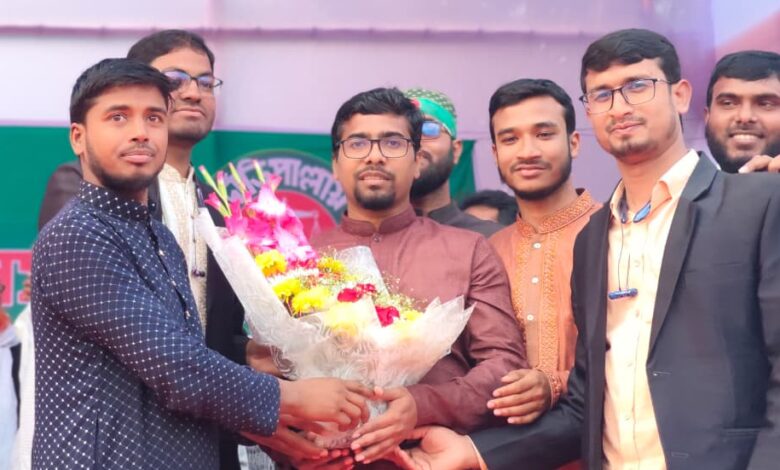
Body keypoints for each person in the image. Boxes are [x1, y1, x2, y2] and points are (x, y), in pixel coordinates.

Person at [401, 28, 780, 470]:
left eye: (637, 86)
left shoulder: (759, 201)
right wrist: (473, 452)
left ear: (680, 95)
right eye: (602, 94)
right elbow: (586, 401)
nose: (619, 107)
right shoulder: (595, 237)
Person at [31, 58, 374, 470]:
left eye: (154, 117)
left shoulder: (160, 239)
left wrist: (271, 427)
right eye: (118, 117)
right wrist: (292, 398)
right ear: (78, 137)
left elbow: (177, 382)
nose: (140, 132)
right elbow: (175, 366)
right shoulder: (78, 234)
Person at [34, 30, 267, 469]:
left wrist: (253, 357)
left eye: (205, 81)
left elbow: (208, 337)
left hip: (201, 439)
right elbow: (152, 350)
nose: (193, 92)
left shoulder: (218, 210)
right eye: (176, 79)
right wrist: (291, 402)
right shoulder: (84, 197)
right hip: (112, 443)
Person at [296, 87, 526, 468]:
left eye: (392, 142)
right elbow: (269, 372)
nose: (374, 155)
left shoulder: (468, 250)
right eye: (357, 143)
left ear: (417, 161)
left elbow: (504, 365)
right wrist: (294, 448)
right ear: (335, 164)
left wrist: (421, 405)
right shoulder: (298, 260)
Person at [485, 79, 599, 470]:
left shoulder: (617, 232)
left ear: (574, 142)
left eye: (544, 134)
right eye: (510, 139)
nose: (527, 151)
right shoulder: (485, 254)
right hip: (502, 455)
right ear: (496, 153)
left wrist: (554, 383)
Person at [404, 87, 502, 237]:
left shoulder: (491, 239)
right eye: (402, 133)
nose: (415, 141)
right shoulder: (370, 240)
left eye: (429, 129)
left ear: (456, 150)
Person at [704, 50, 780, 174]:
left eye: (766, 104)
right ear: (707, 117)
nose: (745, 117)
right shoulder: (679, 185)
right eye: (728, 103)